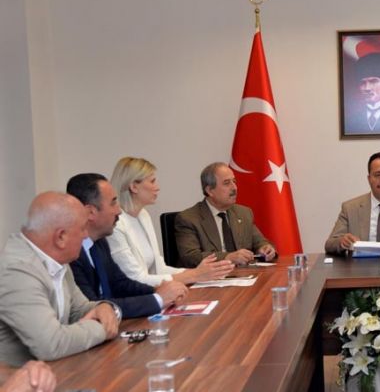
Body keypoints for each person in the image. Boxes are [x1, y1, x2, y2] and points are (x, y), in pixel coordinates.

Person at [0, 192, 118, 367]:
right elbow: (51, 344)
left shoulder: (56, 259)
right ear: (61, 237)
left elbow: (80, 310)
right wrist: (103, 328)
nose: (86, 235)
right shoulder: (17, 271)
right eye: (82, 229)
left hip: (60, 370)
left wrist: (104, 307)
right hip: (21, 378)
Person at [67, 173, 188, 318]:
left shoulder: (99, 242)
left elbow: (120, 283)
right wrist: (158, 299)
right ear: (91, 212)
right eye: (113, 203)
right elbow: (94, 306)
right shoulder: (70, 254)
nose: (119, 210)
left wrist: (157, 291)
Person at [107, 157, 233, 287]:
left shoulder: (143, 215)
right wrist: (195, 275)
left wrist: (201, 272)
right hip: (133, 296)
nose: (157, 187)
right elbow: (135, 279)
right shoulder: (115, 225)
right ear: (134, 187)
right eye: (152, 181)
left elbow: (159, 268)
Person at [175, 162, 276, 267]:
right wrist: (228, 257)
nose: (234, 187)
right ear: (210, 190)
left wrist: (265, 248)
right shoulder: (189, 219)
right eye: (227, 183)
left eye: (234, 181)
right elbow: (191, 256)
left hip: (244, 274)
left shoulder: (244, 213)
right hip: (211, 275)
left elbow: (259, 242)